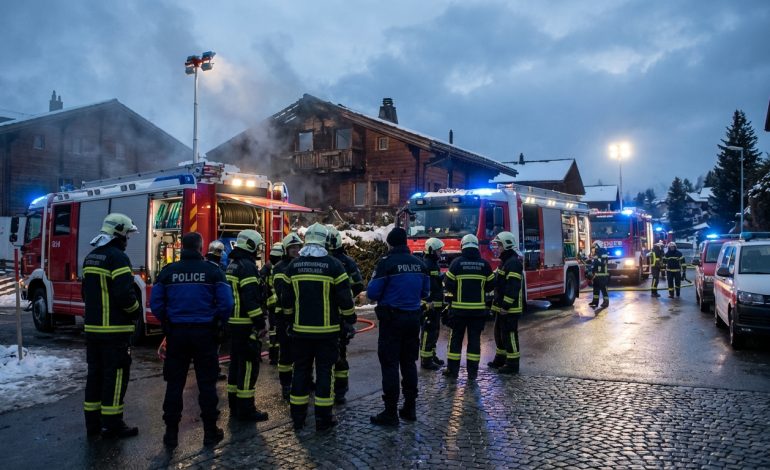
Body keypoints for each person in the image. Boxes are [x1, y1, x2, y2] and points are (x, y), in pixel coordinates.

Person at [150, 232, 234, 448]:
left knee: (174, 384)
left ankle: (171, 434)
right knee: (207, 384)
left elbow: (156, 303)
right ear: (200, 247)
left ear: (182, 248)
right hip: (205, 334)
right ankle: (210, 432)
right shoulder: (213, 271)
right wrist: (217, 322)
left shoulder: (168, 272)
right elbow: (227, 304)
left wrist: (167, 321)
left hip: (176, 335)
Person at [278, 223, 356, 431]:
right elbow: (345, 299)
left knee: (300, 372)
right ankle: (323, 419)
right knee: (324, 373)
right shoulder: (334, 265)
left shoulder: (293, 266)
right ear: (324, 240)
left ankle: (298, 418)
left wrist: (289, 321)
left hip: (300, 332)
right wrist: (350, 319)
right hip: (327, 333)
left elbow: (286, 300)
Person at [82, 213, 142, 438]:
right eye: (127, 235)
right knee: (115, 377)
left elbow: (85, 293)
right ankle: (113, 424)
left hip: (93, 330)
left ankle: (93, 424)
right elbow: (124, 294)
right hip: (115, 331)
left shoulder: (91, 257)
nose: (127, 240)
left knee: (95, 376)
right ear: (119, 233)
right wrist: (135, 312)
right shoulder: (118, 258)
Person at [367, 227, 430, 426]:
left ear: (390, 243)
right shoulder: (419, 264)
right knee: (409, 363)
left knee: (390, 364)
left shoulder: (386, 263)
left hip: (392, 320)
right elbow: (425, 292)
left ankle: (390, 412)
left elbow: (373, 293)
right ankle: (410, 407)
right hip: (413, 319)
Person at [224, 229, 269, 422]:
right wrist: (260, 323)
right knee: (249, 366)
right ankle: (246, 409)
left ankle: (234, 406)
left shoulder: (233, 265)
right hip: (246, 324)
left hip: (233, 324)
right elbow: (250, 299)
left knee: (235, 365)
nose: (259, 249)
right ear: (251, 245)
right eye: (258, 246)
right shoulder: (248, 267)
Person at [442, 234, 496, 381]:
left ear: (462, 246)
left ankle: (452, 372)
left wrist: (459, 292)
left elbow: (448, 283)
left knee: (455, 341)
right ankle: (472, 374)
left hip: (458, 311)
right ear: (476, 246)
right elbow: (491, 285)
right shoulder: (484, 265)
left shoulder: (456, 263)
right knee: (474, 342)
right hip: (478, 312)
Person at [326, 226, 365, 405]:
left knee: (322, 355)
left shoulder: (319, 260)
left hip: (325, 314)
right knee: (340, 354)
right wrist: (347, 297)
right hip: (341, 313)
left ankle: (323, 389)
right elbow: (358, 284)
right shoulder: (347, 262)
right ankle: (339, 391)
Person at [272, 232, 304, 400]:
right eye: (292, 248)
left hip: (301, 315)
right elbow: (281, 292)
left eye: (297, 247)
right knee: (285, 353)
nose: (295, 250)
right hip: (284, 317)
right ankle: (286, 385)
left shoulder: (303, 264)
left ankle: (304, 382)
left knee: (302, 352)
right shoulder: (279, 267)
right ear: (286, 250)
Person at [488, 231, 524, 374]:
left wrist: (506, 306)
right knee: (499, 334)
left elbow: (513, 287)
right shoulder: (505, 261)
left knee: (509, 335)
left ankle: (512, 364)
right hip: (501, 306)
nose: (497, 248)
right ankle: (500, 359)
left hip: (510, 308)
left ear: (507, 245)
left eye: (499, 245)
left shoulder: (513, 263)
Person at [419, 238, 446, 370]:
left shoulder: (432, 263)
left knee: (434, 332)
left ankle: (431, 355)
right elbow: (428, 287)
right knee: (428, 332)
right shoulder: (427, 264)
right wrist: (427, 303)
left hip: (435, 305)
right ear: (431, 250)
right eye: (438, 250)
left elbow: (435, 282)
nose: (441, 252)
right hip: (429, 305)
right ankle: (426, 360)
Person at [261, 243, 285, 365]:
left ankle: (273, 357)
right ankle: (279, 356)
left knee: (273, 331)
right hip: (279, 304)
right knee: (280, 331)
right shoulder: (280, 268)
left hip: (270, 305)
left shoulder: (265, 269)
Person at [589, 240, 609, 308]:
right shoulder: (595, 255)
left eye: (594, 247)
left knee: (603, 289)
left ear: (598, 247)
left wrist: (595, 261)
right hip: (596, 275)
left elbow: (602, 263)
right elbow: (594, 264)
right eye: (592, 248)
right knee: (595, 288)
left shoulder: (603, 254)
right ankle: (595, 302)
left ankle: (606, 302)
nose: (593, 249)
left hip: (602, 275)